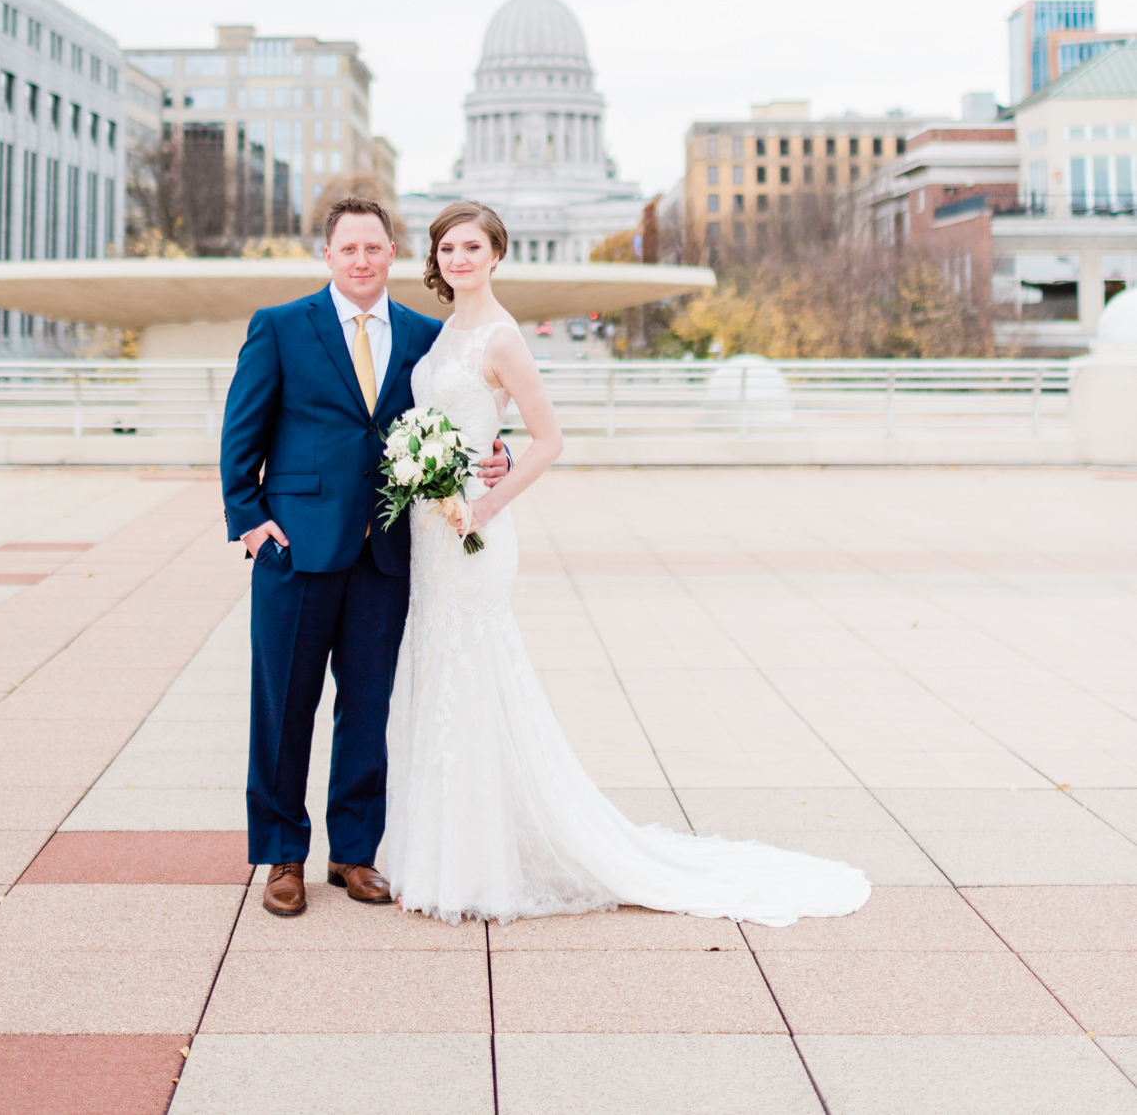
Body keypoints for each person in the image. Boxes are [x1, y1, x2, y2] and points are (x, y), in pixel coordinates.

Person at [385, 200, 872, 928]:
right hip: (431, 533)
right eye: (448, 247)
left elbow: (548, 438)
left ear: (496, 255)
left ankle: (479, 865)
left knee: (475, 677)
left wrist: (487, 505)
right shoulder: (445, 330)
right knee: (435, 672)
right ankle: (443, 853)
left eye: (472, 247)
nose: (459, 258)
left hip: (475, 536)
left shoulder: (503, 336)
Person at [219, 195, 512, 917]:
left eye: (374, 249)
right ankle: (282, 856)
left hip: (386, 552)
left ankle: (355, 852)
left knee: (368, 707)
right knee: (283, 707)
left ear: (390, 256)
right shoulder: (281, 328)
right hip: (296, 551)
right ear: (328, 256)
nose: (361, 260)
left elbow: (461, 410)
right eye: (348, 249)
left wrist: (495, 452)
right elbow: (240, 432)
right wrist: (250, 519)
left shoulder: (423, 335)